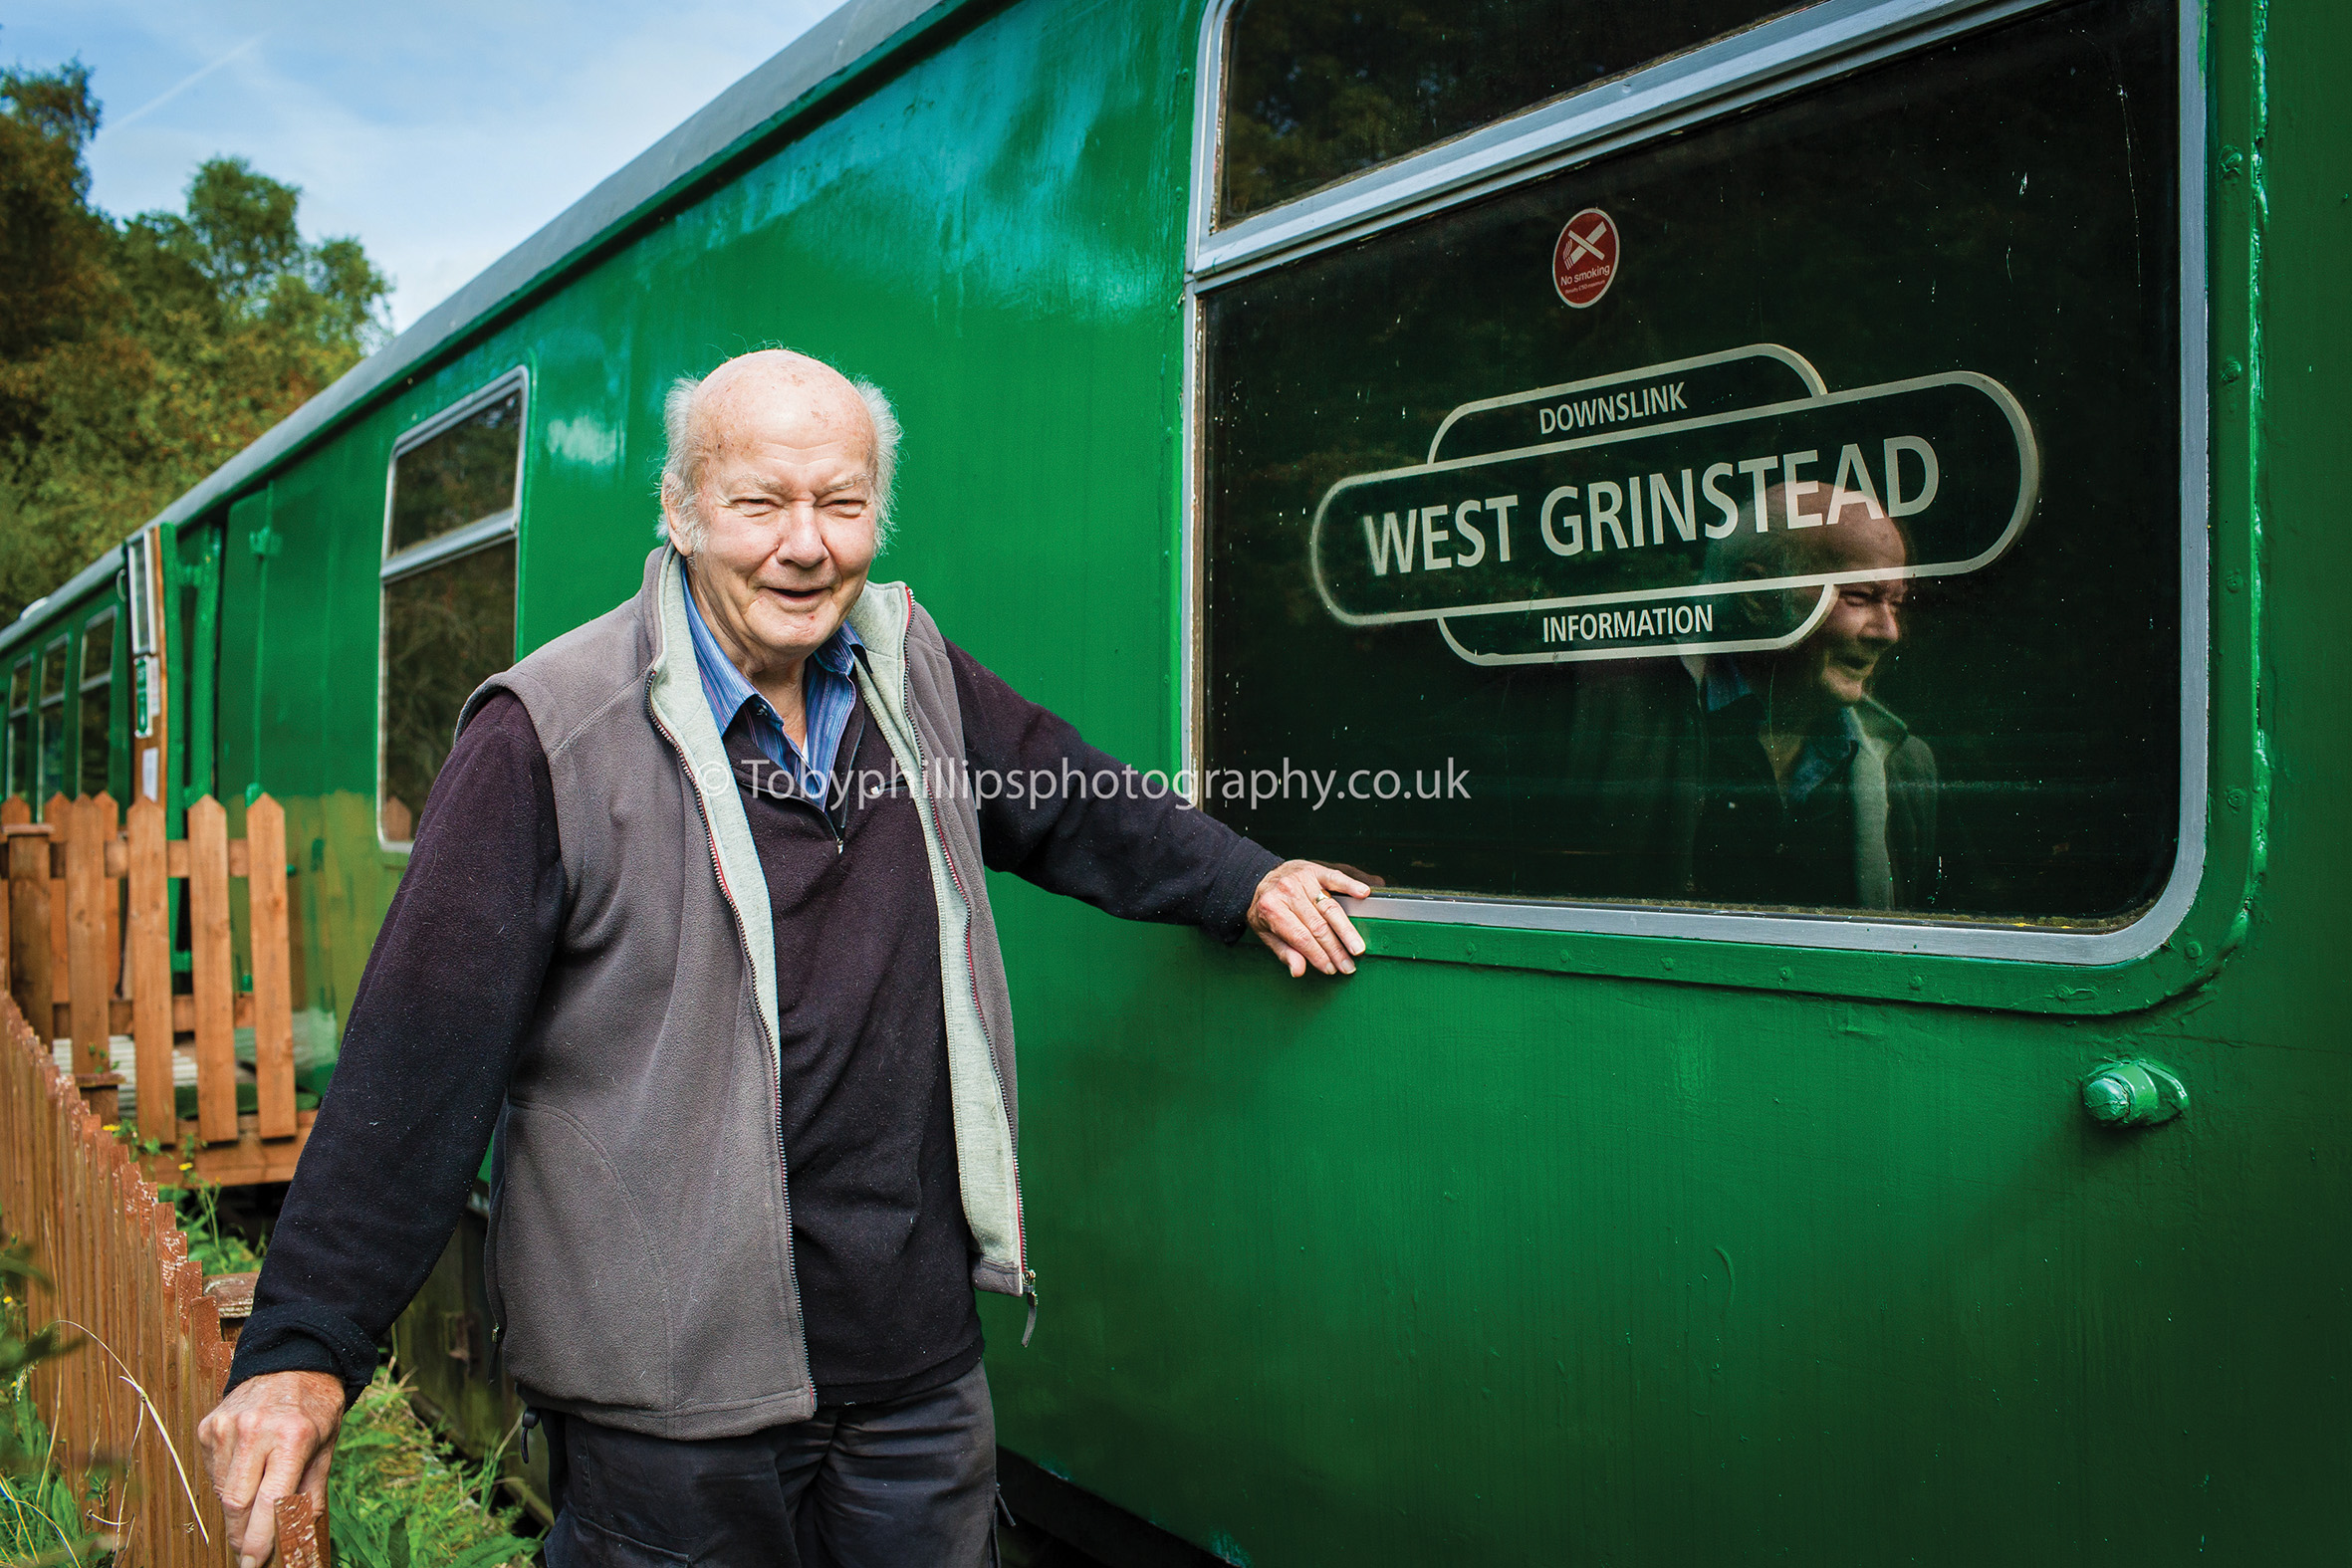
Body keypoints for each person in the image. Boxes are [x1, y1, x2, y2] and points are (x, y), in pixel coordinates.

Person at [196, 349, 1368, 1568]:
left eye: (841, 504)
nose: (804, 546)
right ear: (681, 508)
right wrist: (305, 1343)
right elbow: (420, 1049)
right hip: (671, 1390)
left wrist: (1242, 879)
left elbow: (1068, 798)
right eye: (759, 503)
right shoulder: (548, 732)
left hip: (911, 1363)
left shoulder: (912, 668)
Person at [1558, 482, 1938, 908]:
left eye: (1896, 604)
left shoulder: (1905, 766)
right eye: (1859, 597)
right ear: (1757, 597)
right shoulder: (1596, 709)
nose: (1888, 632)